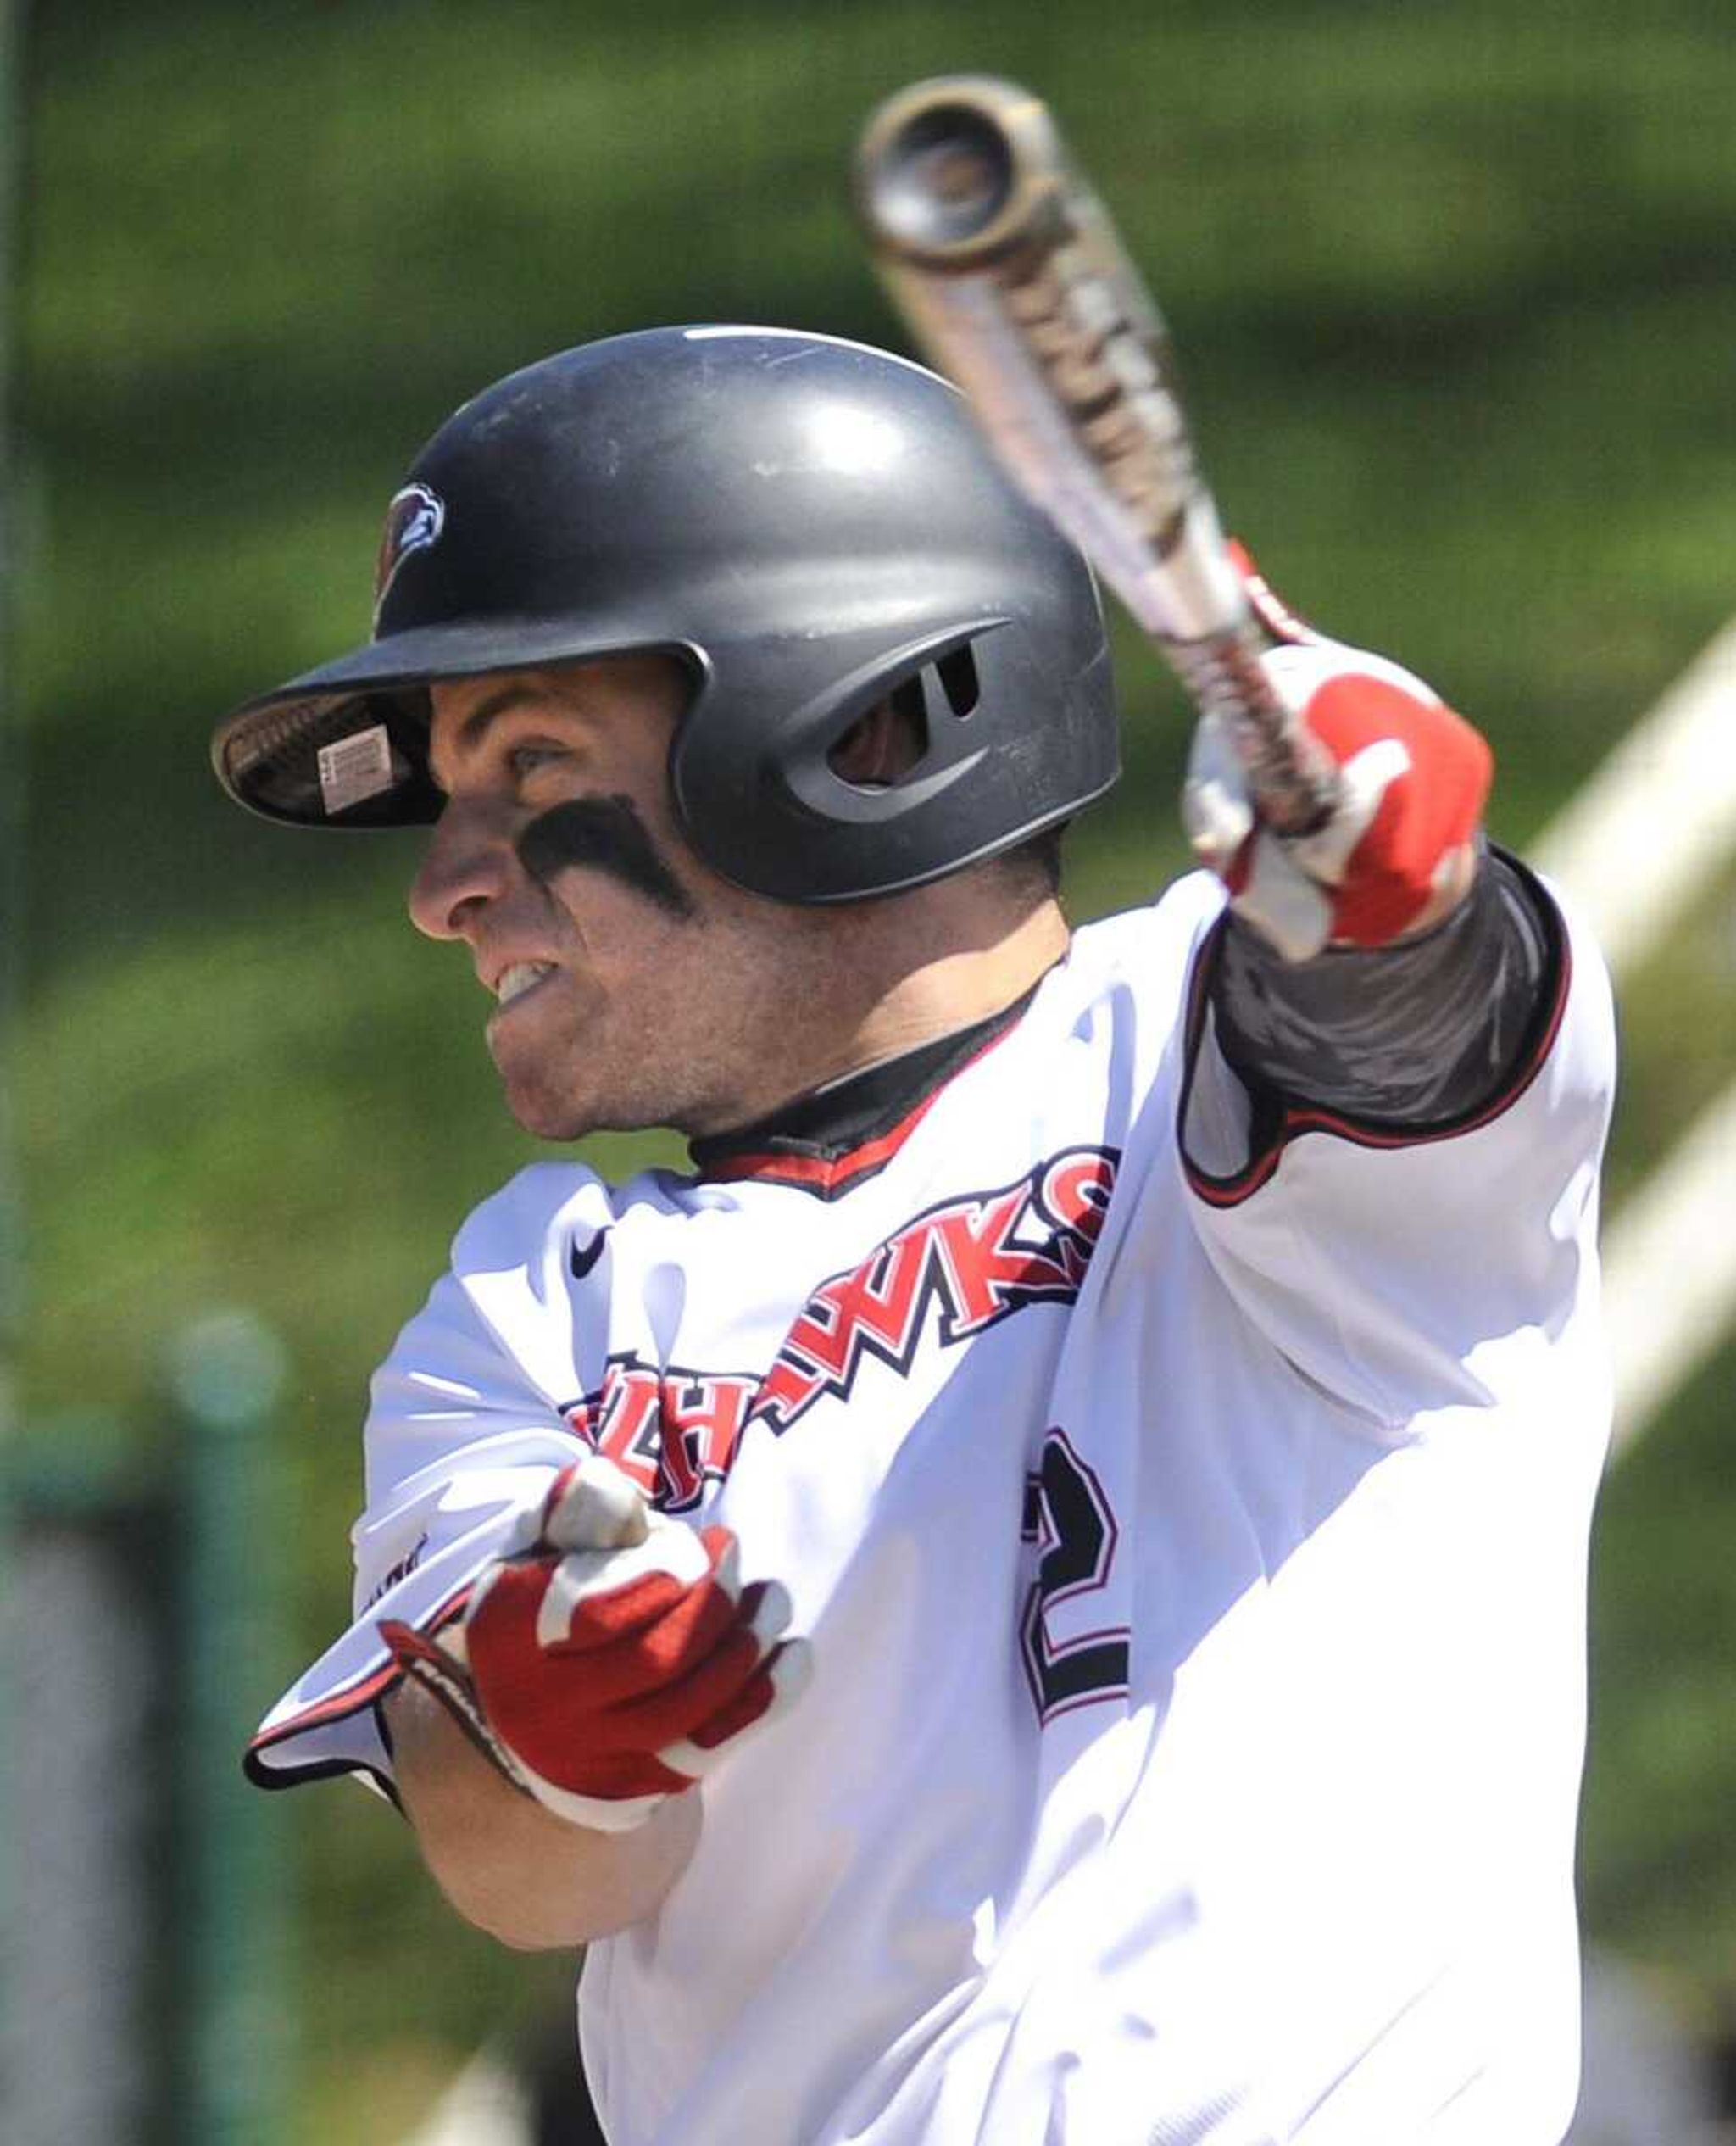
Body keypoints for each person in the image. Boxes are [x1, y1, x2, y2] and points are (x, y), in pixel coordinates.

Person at [215, 326, 1614, 2145]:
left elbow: (1404, 1039)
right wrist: (548, 1728)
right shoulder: (531, 1304)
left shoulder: (1190, 1035)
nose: (442, 887)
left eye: (533, 774)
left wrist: (1388, 889)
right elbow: (524, 1873)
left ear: (862, 725)